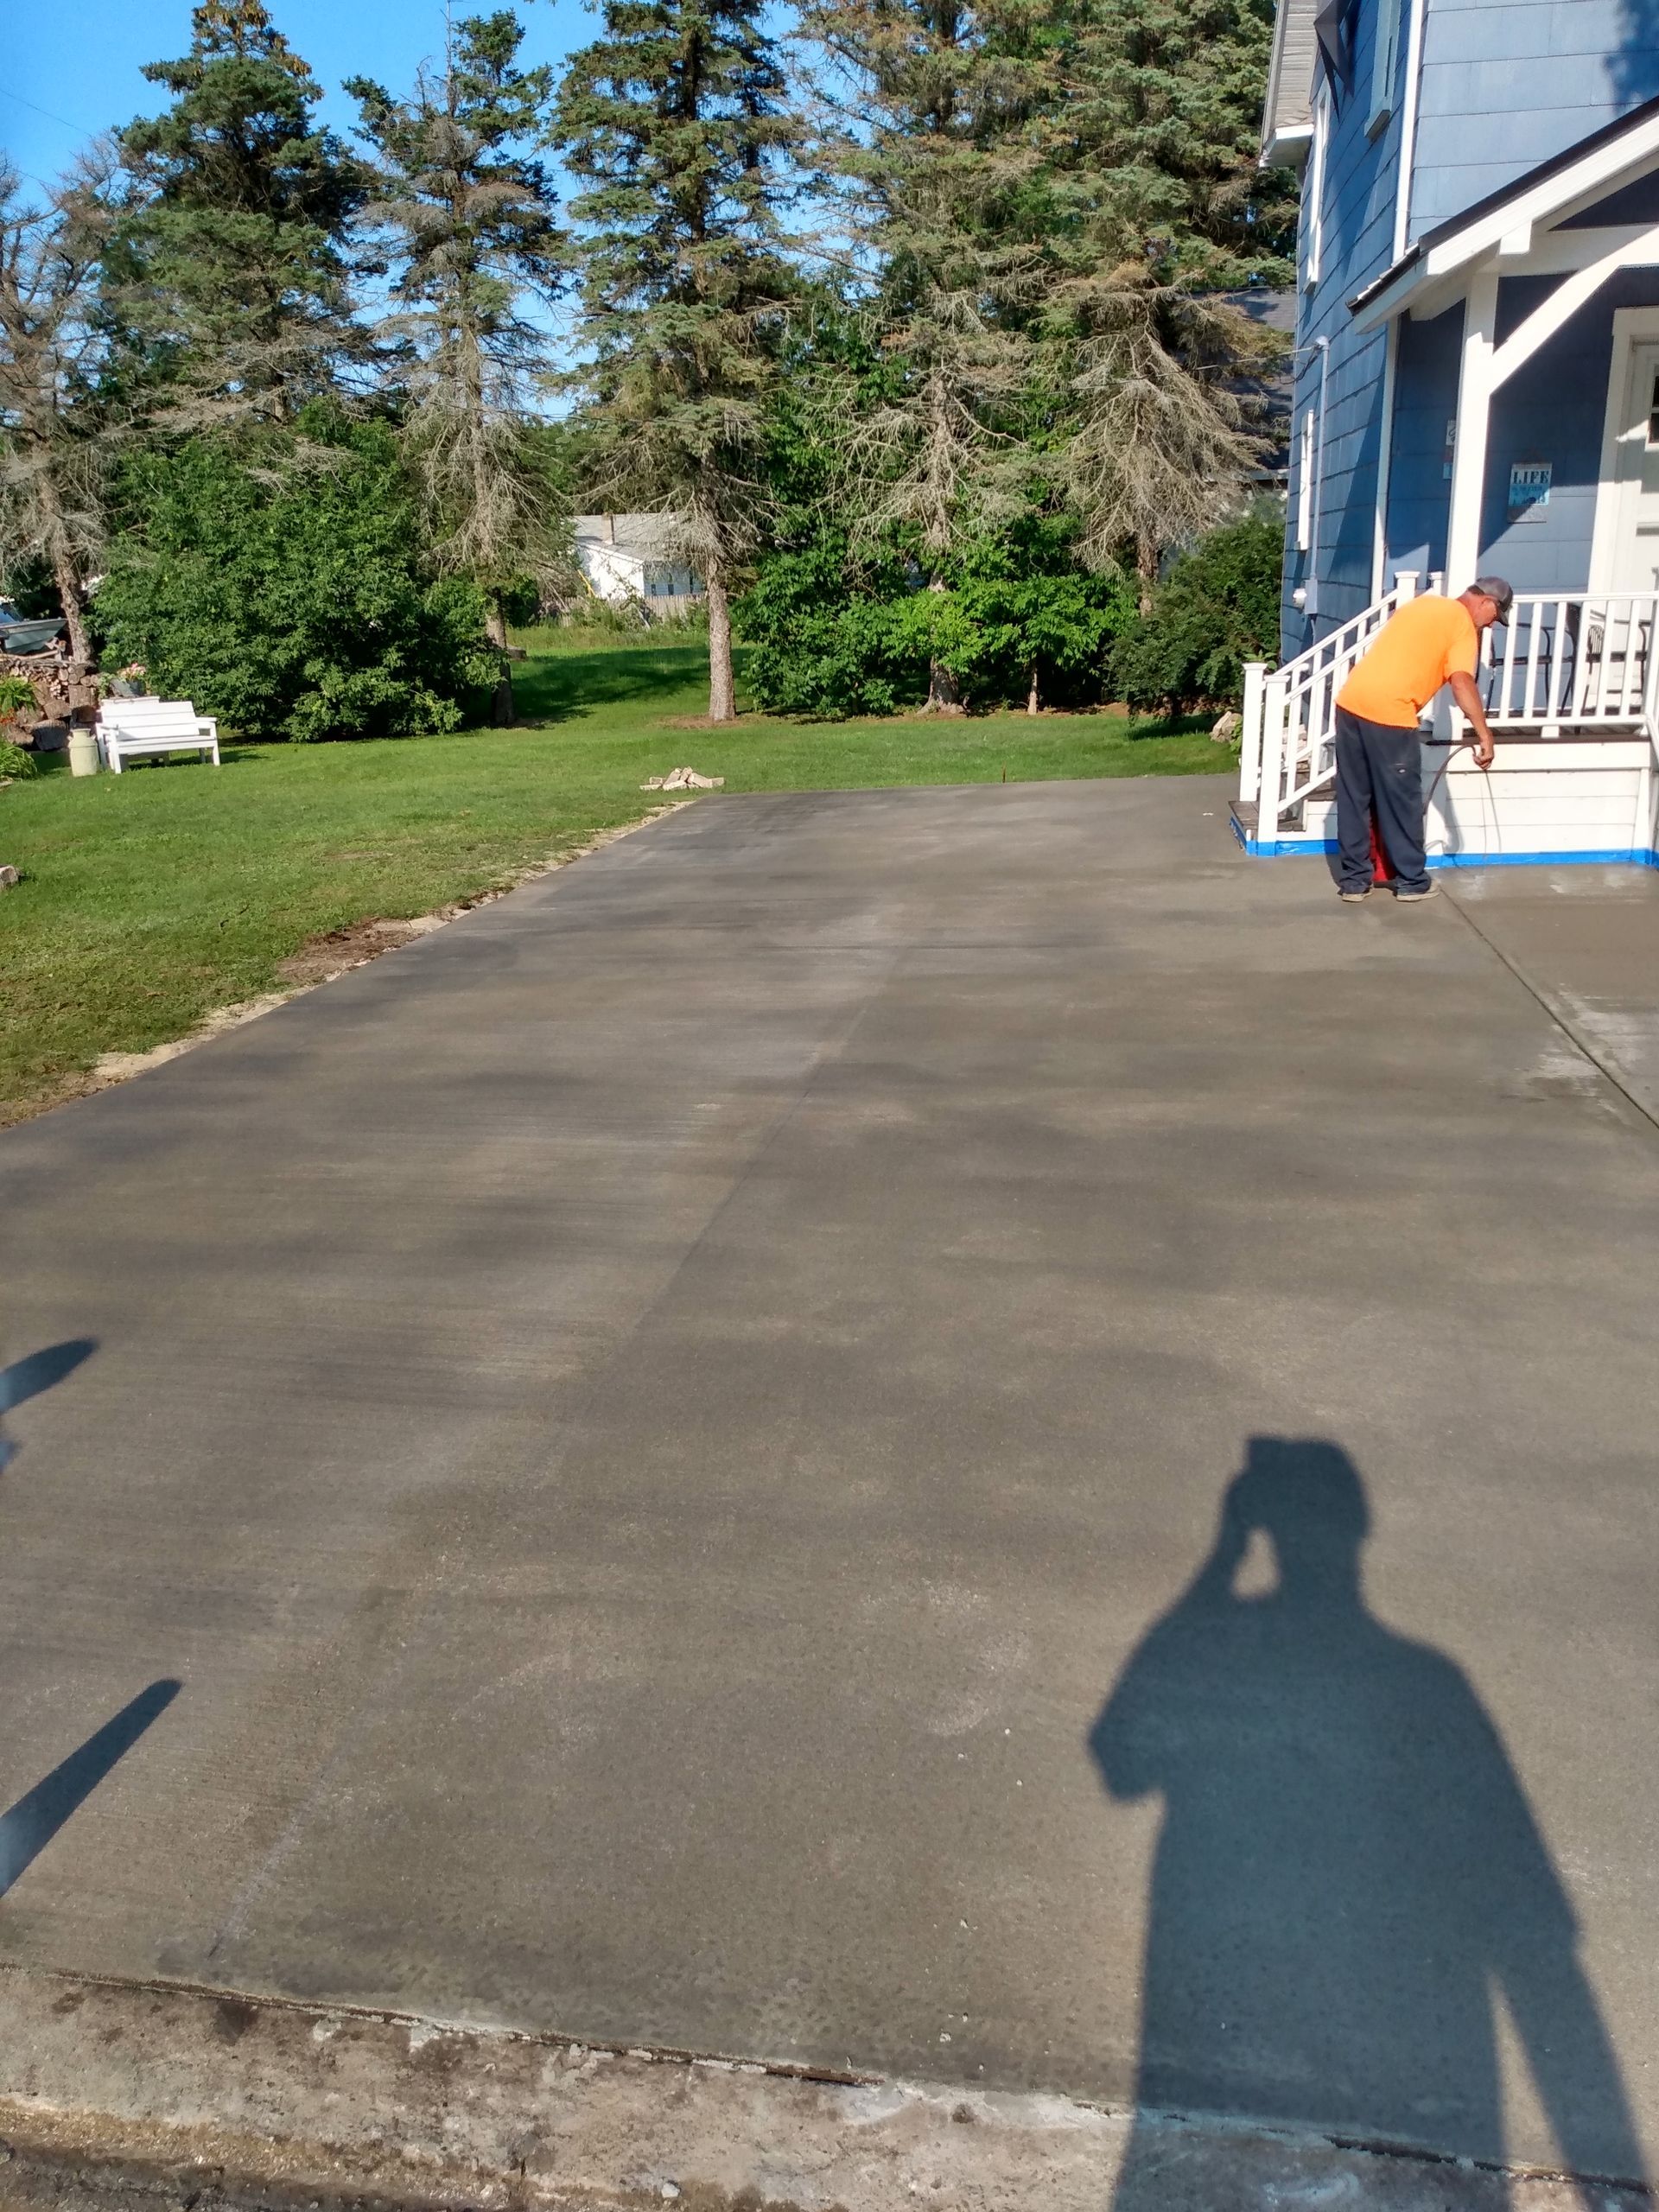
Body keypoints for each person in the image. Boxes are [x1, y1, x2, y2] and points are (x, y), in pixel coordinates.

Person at [1332, 577, 1510, 904]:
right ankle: (1412, 881)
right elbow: (1461, 681)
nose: (1490, 625)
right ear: (1486, 602)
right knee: (1401, 800)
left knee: (1355, 796)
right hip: (1391, 712)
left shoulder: (1423, 603)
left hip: (1350, 703)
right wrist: (1485, 735)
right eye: (1494, 617)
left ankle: (1355, 883)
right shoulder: (1462, 625)